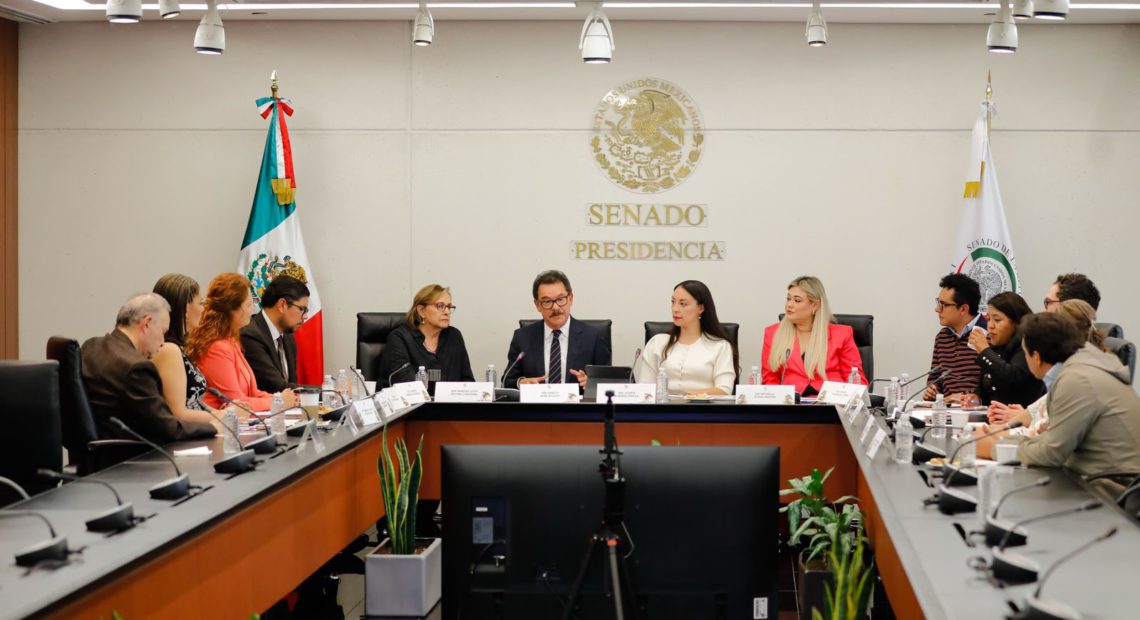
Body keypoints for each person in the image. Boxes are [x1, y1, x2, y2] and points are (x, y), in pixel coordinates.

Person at [1007, 313, 1140, 482]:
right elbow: (1055, 437)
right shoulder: (1083, 365)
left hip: (1110, 488)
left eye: (1025, 354)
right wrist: (1007, 441)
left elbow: (1051, 454)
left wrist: (997, 448)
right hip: (1098, 476)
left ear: (1037, 357)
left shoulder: (1077, 379)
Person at [81, 293, 217, 444]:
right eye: (163, 332)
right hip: (131, 454)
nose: (162, 342)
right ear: (146, 324)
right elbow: (168, 429)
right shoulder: (136, 367)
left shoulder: (91, 346)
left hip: (95, 451)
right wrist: (213, 427)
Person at [983, 299, 1107, 445]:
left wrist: (996, 441)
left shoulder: (1078, 378)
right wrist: (1003, 428)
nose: (1044, 312)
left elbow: (1051, 443)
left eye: (1049, 303)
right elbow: (1040, 409)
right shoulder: (1075, 369)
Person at [189, 273, 298, 411]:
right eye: (248, 305)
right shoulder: (216, 347)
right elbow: (236, 403)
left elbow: (253, 393)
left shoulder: (231, 341)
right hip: (219, 422)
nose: (252, 310)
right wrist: (279, 401)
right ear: (232, 309)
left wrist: (284, 399)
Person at [504, 270, 612, 390]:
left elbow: (609, 381)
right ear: (537, 305)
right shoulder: (522, 337)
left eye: (560, 299)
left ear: (570, 299)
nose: (555, 307)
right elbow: (507, 381)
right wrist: (521, 383)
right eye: (547, 301)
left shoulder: (594, 336)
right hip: (536, 402)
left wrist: (592, 383)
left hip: (578, 402)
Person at [760, 276, 865, 395]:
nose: (789, 305)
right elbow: (770, 380)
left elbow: (857, 381)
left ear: (815, 305)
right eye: (788, 299)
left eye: (797, 300)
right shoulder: (773, 333)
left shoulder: (841, 335)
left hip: (831, 402)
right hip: (791, 403)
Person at [634, 280, 738, 395]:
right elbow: (645, 388)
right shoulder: (657, 342)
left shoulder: (720, 346)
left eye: (683, 304)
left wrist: (689, 397)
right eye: (673, 302)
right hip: (663, 405)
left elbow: (724, 390)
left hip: (704, 406)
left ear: (700, 308)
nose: (675, 309)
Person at [150, 273, 225, 430]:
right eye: (201, 303)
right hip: (184, 437)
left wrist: (221, 413)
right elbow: (178, 414)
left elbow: (194, 403)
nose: (204, 309)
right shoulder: (169, 350)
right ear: (185, 309)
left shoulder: (178, 348)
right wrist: (223, 416)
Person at [378, 284, 474, 387]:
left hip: (450, 398)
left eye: (449, 307)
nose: (447, 312)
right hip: (414, 397)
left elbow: (467, 380)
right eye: (440, 306)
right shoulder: (400, 338)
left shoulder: (454, 336)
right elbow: (404, 382)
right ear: (421, 311)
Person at [960, 291, 1043, 407]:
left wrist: (984, 350)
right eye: (988, 319)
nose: (990, 326)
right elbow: (987, 391)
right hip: (993, 415)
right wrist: (976, 399)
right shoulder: (996, 348)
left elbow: (1013, 379)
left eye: (997, 320)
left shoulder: (1027, 345)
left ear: (1016, 322)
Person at [240, 274, 310, 394]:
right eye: (302, 309)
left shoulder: (288, 338)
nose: (305, 316)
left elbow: (292, 386)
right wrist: (328, 392)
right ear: (282, 305)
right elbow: (278, 387)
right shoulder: (250, 336)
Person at [924, 273, 984, 399]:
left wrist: (963, 397)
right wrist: (932, 390)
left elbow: (993, 385)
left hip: (976, 408)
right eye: (938, 302)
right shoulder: (942, 337)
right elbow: (935, 377)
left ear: (963, 309)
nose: (937, 309)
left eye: (943, 304)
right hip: (946, 408)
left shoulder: (988, 334)